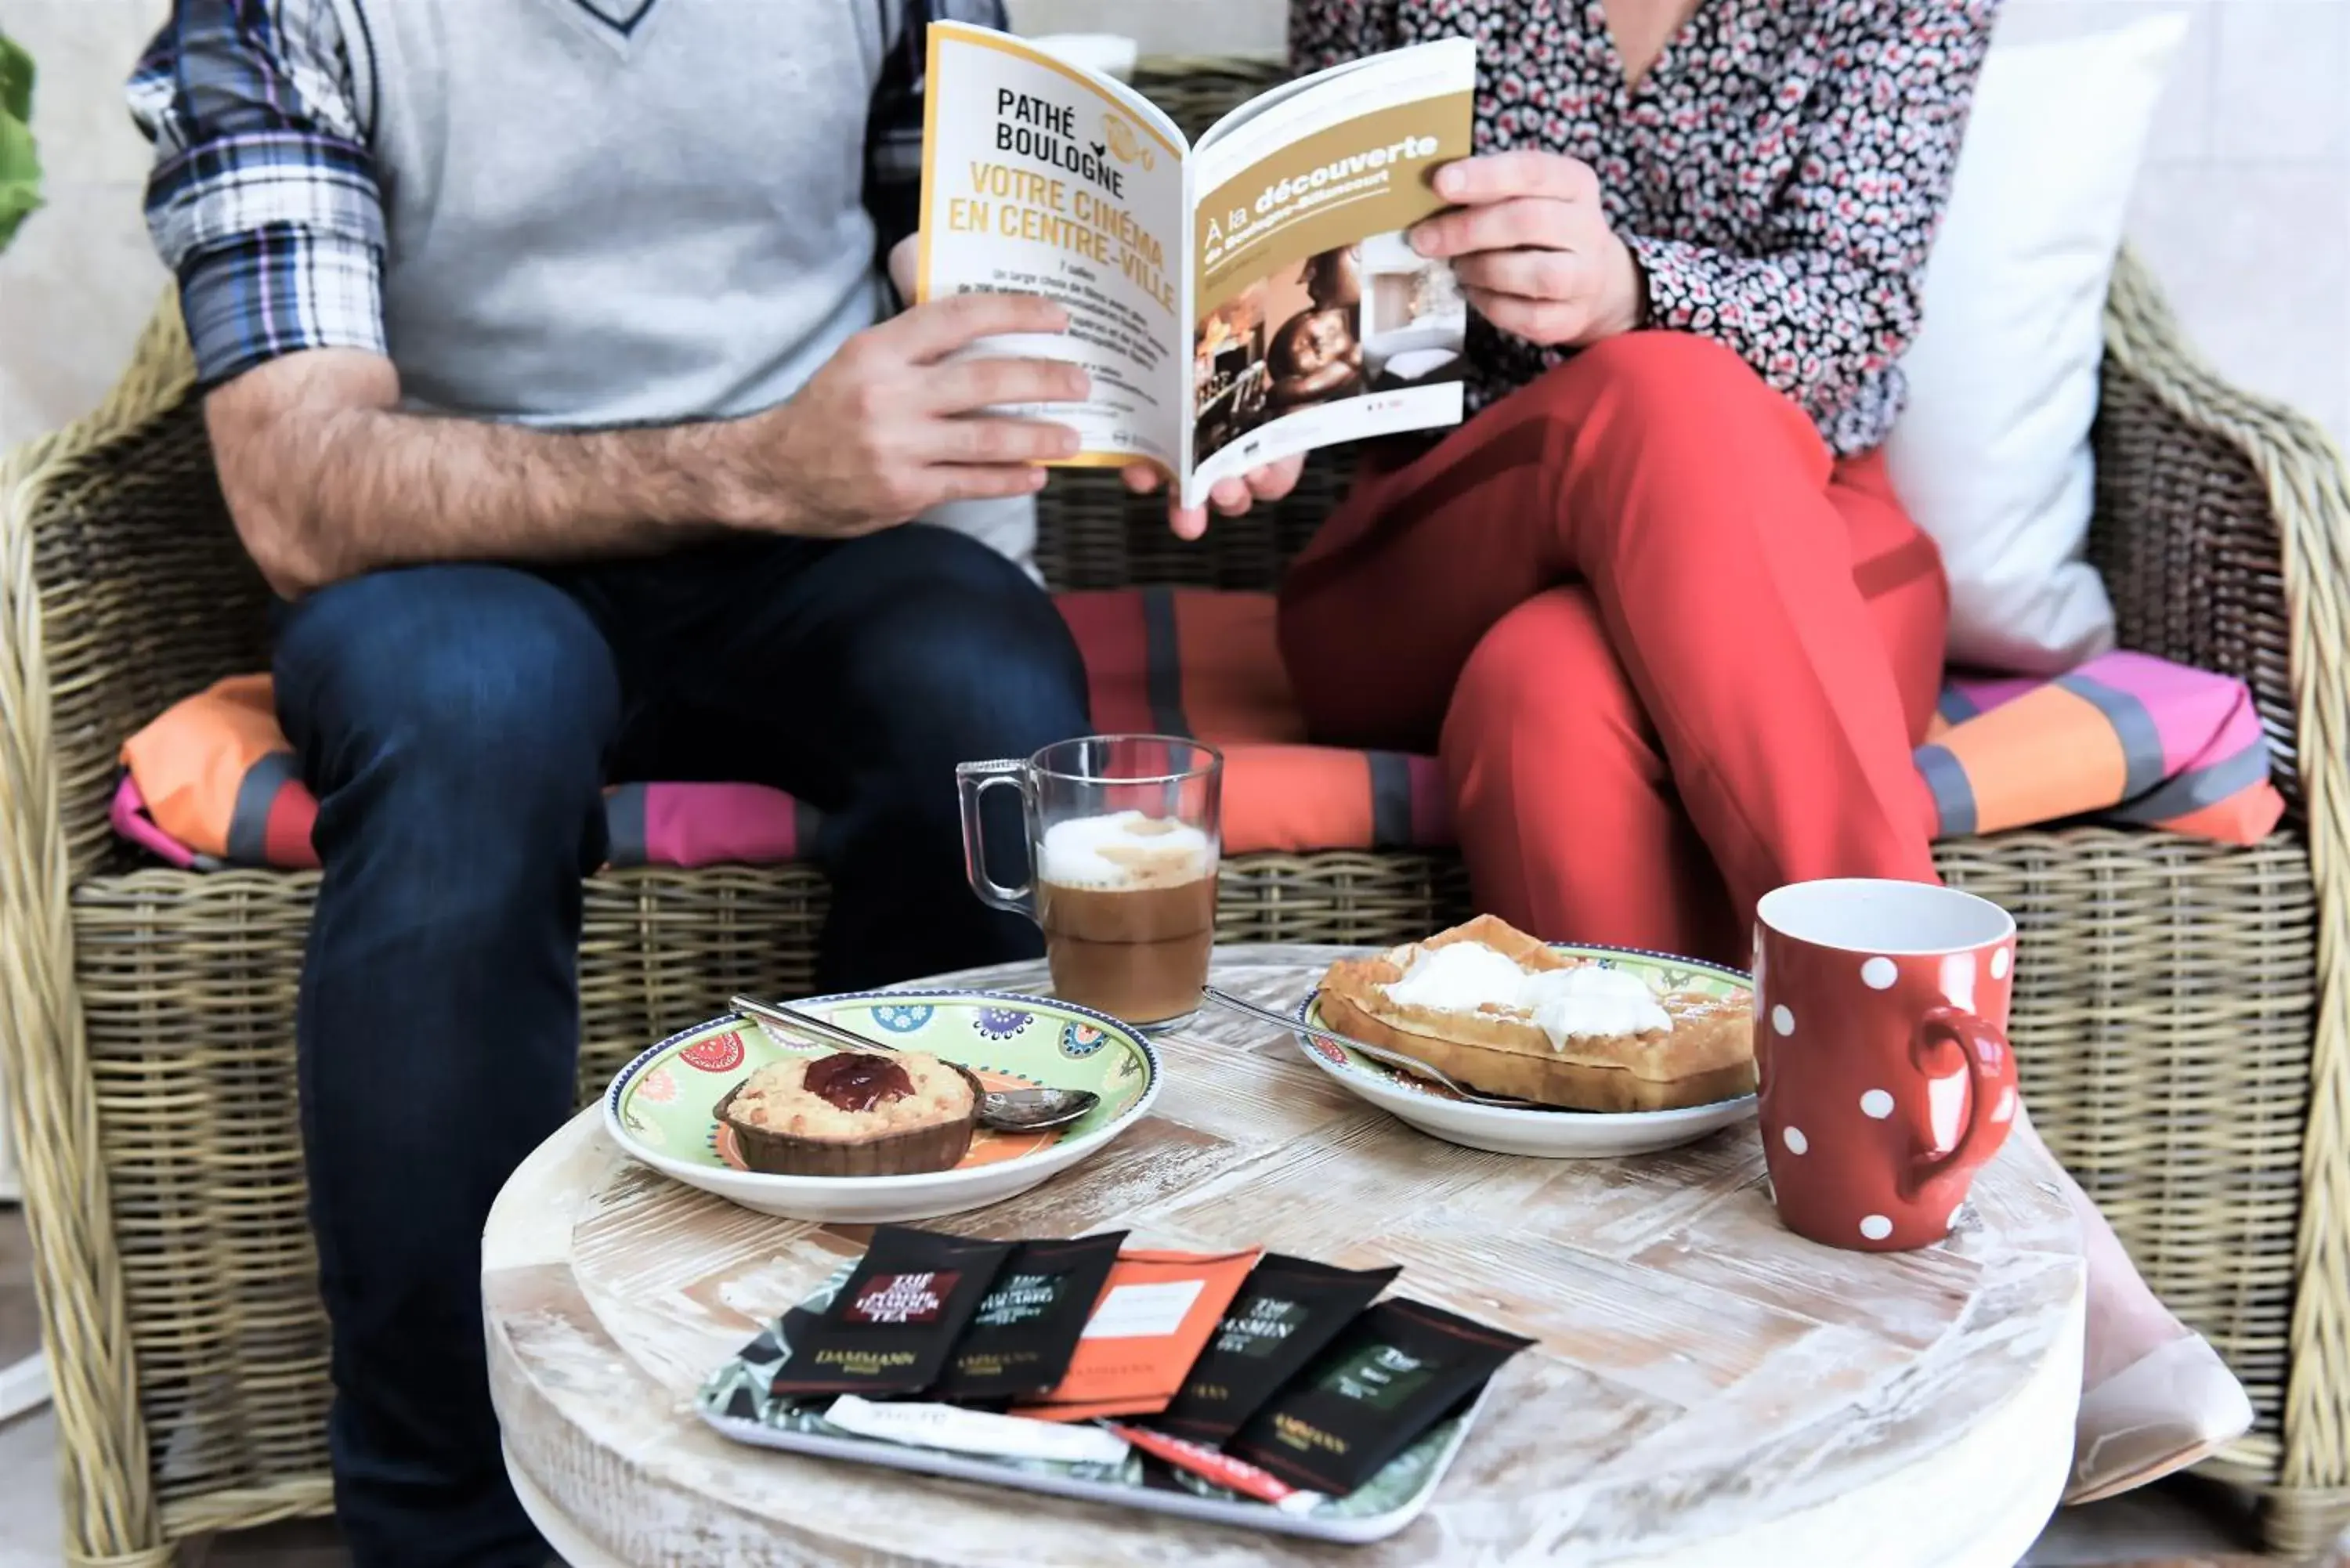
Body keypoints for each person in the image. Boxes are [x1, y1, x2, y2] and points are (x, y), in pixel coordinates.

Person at [1128, 0, 2253, 1507]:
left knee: (1551, 682)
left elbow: (1858, 308)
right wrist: (1246, 398)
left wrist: (1630, 284)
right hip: (1438, 537)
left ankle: (1689, 1384)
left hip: (1792, 537)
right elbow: (1317, 266)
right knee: (1668, 389)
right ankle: (1973, 1136)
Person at [128, 3, 1089, 1563]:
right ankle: (453, 1518)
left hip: (831, 553)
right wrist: (753, 463)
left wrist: (1158, 381)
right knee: (469, 717)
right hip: (460, 564)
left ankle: (904, 1435)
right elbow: (296, 486)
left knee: (986, 691)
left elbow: (968, 256)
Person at [1264, 246, 1365, 412]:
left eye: (1307, 340)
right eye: (1317, 355)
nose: (1319, 342)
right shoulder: (1358, 351)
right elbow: (1282, 393)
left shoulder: (1333, 290)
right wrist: (1348, 364)